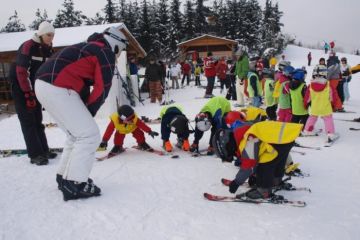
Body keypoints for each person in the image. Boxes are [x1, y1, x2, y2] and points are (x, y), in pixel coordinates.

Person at [35, 26, 128, 201]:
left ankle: (64, 177)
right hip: (58, 85)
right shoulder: (105, 51)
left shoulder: (88, 46)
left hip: (43, 84)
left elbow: (82, 80)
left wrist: (85, 110)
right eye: (120, 51)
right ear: (116, 44)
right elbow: (103, 88)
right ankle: (75, 183)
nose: (118, 55)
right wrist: (89, 112)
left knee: (75, 135)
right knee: (89, 135)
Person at [213, 121, 302, 199]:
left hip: (281, 140)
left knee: (264, 164)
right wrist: (254, 175)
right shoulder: (243, 131)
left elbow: (248, 166)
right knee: (275, 158)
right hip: (287, 136)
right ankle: (275, 181)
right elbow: (256, 155)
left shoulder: (247, 141)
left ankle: (264, 191)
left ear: (227, 147)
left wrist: (236, 182)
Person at [9, 21, 56, 166]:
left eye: (53, 35)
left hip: (34, 87)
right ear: (41, 34)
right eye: (49, 35)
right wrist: (27, 93)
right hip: (20, 86)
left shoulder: (47, 49)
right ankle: (35, 154)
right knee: (28, 121)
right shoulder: (28, 46)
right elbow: (21, 72)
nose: (51, 38)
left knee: (37, 119)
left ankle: (44, 150)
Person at [303, 65, 337, 141]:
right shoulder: (328, 85)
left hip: (315, 107)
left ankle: (308, 130)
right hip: (325, 107)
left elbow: (307, 98)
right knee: (328, 119)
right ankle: (330, 133)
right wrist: (333, 104)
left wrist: (305, 104)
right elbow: (333, 97)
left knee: (312, 118)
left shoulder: (310, 85)